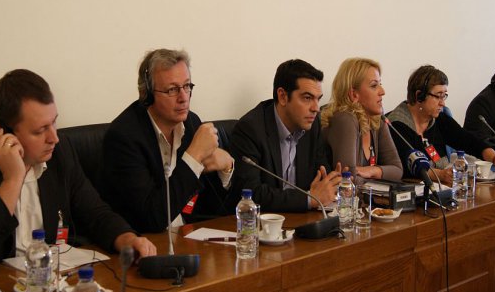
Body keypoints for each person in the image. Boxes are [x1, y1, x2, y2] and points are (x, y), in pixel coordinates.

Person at [0, 70, 156, 270]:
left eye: (54, 123)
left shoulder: (60, 152)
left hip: (51, 280)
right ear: (4, 133)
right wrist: (12, 181)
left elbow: (94, 213)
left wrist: (126, 238)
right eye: (40, 130)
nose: (54, 138)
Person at [102, 49, 234, 233]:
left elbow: (215, 209)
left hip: (189, 237)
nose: (183, 98)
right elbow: (152, 218)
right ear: (147, 94)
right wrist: (193, 157)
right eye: (172, 89)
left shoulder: (191, 123)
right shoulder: (123, 138)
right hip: (147, 242)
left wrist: (226, 169)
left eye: (186, 86)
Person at [230, 59, 341, 212]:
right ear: (282, 96)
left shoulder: (312, 125)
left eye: (318, 99)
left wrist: (334, 183)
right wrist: (309, 199)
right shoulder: (250, 129)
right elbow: (251, 194)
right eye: (307, 98)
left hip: (301, 219)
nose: (316, 108)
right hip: (261, 222)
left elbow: (321, 175)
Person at [387, 65, 495, 185]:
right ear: (419, 96)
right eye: (438, 96)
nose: (442, 103)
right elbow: (406, 167)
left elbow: (469, 141)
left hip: (443, 188)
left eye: (444, 96)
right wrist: (440, 175)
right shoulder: (396, 125)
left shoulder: (438, 119)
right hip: (414, 192)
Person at [321, 58, 403, 184]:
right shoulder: (345, 119)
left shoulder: (377, 121)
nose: (382, 92)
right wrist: (380, 175)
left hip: (365, 195)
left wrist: (372, 170)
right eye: (374, 85)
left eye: (380, 84)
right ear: (354, 94)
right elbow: (347, 178)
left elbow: (397, 170)